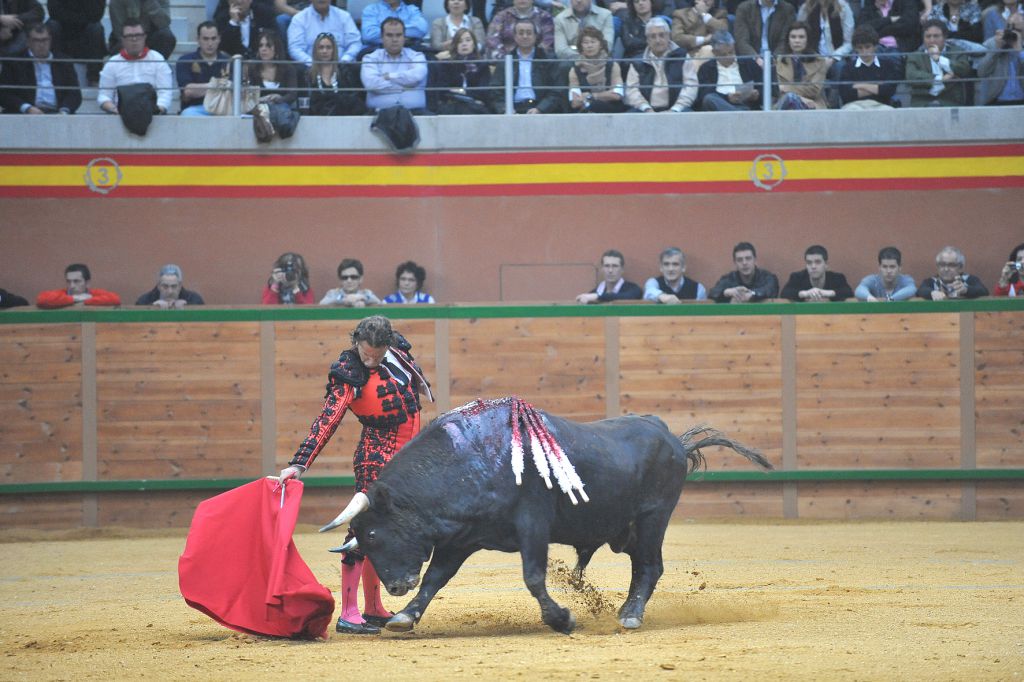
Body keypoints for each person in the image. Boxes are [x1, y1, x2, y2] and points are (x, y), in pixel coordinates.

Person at [278, 315, 433, 635]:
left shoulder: (398, 352)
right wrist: (299, 463)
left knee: (383, 532)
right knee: (361, 532)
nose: (371, 360)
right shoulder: (349, 372)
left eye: (376, 355)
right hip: (376, 457)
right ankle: (349, 612)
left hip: (406, 460)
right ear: (356, 343)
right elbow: (328, 419)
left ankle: (373, 607)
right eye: (366, 354)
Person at [0, 21, 82, 114]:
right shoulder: (14, 62)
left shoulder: (63, 62)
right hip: (25, 114)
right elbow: (4, 94)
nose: (41, 45)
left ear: (50, 40)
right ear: (28, 42)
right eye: (36, 40)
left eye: (45, 40)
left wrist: (64, 110)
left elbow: (74, 94)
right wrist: (27, 108)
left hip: (58, 113)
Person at [97, 19, 174, 115]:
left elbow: (165, 92)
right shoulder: (112, 63)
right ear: (122, 39)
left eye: (138, 35)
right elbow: (104, 96)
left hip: (153, 115)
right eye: (129, 36)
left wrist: (156, 110)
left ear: (145, 37)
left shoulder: (157, 59)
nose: (134, 39)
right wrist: (115, 110)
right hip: (119, 115)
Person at [490, 18, 563, 113]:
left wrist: (540, 109)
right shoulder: (506, 61)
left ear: (535, 36)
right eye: (521, 33)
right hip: (512, 110)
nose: (525, 36)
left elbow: (556, 90)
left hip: (539, 108)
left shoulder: (548, 60)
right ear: (515, 37)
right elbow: (495, 91)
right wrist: (505, 109)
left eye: (529, 33)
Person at [624, 17, 693, 112]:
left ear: (669, 36)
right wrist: (646, 108)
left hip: (677, 109)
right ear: (647, 40)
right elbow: (631, 90)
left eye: (661, 35)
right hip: (646, 110)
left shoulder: (682, 57)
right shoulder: (637, 62)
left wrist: (675, 109)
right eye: (653, 36)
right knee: (628, 118)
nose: (658, 40)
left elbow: (691, 87)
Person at [360, 17, 429, 113]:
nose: (394, 39)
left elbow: (417, 76)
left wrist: (389, 76)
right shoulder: (370, 58)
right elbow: (372, 84)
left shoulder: (417, 56)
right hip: (378, 114)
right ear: (382, 37)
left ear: (404, 37)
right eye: (389, 35)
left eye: (398, 35)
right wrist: (406, 86)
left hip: (416, 113)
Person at [905, 19, 970, 106]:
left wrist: (939, 59)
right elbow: (911, 76)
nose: (932, 40)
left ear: (945, 37)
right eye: (928, 36)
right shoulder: (914, 56)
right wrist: (940, 79)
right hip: (922, 101)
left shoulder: (957, 52)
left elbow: (964, 69)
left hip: (950, 100)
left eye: (936, 36)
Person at [695, 30, 762, 111]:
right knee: (709, 98)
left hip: (746, 105)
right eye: (724, 54)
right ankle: (738, 116)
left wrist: (757, 95)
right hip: (719, 108)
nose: (729, 57)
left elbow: (764, 88)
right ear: (714, 53)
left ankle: (737, 115)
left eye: (731, 52)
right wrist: (727, 98)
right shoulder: (706, 69)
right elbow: (702, 95)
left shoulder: (749, 64)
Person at [176, 21, 231, 116]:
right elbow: (188, 91)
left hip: (223, 108)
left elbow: (232, 90)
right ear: (198, 39)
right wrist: (217, 85)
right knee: (188, 114)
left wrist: (200, 89)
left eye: (213, 39)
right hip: (195, 109)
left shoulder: (229, 62)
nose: (210, 43)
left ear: (219, 39)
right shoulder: (185, 60)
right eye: (205, 39)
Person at [434, 27, 494, 113]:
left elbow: (483, 92)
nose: (464, 44)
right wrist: (467, 94)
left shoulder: (482, 65)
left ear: (474, 44)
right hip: (452, 105)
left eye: (468, 40)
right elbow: (442, 91)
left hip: (475, 106)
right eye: (460, 41)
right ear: (455, 46)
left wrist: (460, 91)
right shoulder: (446, 65)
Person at [45, 0, 106, 84]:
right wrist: (79, 19)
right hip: (63, 29)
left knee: (96, 29)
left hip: (84, 31)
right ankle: (54, 74)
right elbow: (53, 11)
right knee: (52, 26)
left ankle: (94, 78)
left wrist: (74, 19)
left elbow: (97, 14)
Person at [838, 24, 898, 109]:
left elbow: (889, 90)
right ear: (855, 49)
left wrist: (858, 85)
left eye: (867, 47)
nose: (864, 51)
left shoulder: (887, 65)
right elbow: (846, 94)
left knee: (888, 110)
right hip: (854, 105)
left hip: (880, 105)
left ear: (875, 47)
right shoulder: (847, 68)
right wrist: (877, 87)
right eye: (860, 48)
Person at [774, 20, 831, 109]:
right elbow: (777, 90)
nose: (797, 41)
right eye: (793, 37)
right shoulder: (779, 61)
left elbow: (814, 90)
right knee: (790, 98)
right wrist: (800, 98)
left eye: (801, 37)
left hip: (812, 103)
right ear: (788, 40)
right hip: (784, 104)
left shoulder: (819, 61)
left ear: (807, 40)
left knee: (792, 98)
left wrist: (786, 88)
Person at [567, 25, 625, 111]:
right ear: (581, 46)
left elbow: (617, 95)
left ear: (600, 45)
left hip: (612, 109)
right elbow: (575, 102)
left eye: (593, 42)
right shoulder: (575, 69)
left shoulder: (612, 65)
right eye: (585, 43)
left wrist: (591, 96)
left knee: (596, 105)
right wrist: (605, 95)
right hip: (585, 112)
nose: (589, 46)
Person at [306, 31, 365, 115]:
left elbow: (354, 99)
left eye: (328, 47)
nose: (324, 51)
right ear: (315, 51)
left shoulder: (345, 71)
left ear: (334, 50)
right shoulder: (308, 74)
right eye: (321, 47)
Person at [287, 0, 360, 66]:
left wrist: (344, 60)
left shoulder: (344, 16)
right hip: (309, 69)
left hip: (342, 66)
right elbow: (295, 48)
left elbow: (355, 43)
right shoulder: (299, 19)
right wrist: (312, 64)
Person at [976, 13, 1024, 105]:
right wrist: (996, 49)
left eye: (1018, 30)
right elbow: (981, 72)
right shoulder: (993, 42)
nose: (1013, 33)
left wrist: (1020, 51)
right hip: (997, 100)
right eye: (1010, 29)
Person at [708, 241, 779, 303]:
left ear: (755, 260)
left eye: (748, 258)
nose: (744, 263)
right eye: (739, 260)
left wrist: (752, 294)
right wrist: (727, 292)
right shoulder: (729, 278)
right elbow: (712, 293)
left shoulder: (767, 277)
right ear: (735, 263)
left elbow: (771, 289)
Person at [780, 244, 853, 302]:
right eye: (809, 263)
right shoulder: (797, 277)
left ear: (826, 264)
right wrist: (805, 293)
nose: (813, 266)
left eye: (818, 262)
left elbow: (848, 292)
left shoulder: (837, 278)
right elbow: (785, 293)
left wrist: (826, 293)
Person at [485, 0, 555, 59]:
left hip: (537, 61)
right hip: (506, 61)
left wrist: (534, 57)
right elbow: (493, 41)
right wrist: (507, 59)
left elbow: (548, 41)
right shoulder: (501, 16)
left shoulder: (544, 16)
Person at [108, 0, 177, 59]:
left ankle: (151, 70)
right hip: (126, 38)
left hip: (151, 38)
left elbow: (164, 22)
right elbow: (119, 31)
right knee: (121, 45)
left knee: (166, 37)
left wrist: (149, 2)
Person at [733, 0, 796, 64]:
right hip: (750, 59)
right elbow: (741, 40)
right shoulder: (744, 8)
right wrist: (756, 58)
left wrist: (774, 59)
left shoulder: (788, 9)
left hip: (777, 60)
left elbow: (785, 39)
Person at [248, 28, 299, 107]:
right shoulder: (253, 68)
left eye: (268, 45)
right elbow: (249, 96)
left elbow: (292, 95)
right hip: (260, 112)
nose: (263, 49)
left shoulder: (288, 68)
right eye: (261, 45)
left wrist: (279, 99)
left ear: (276, 49)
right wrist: (262, 99)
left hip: (283, 111)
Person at [915, 246, 989, 300]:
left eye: (951, 265)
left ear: (960, 267)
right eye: (942, 264)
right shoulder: (931, 281)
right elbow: (920, 291)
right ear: (937, 266)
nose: (946, 269)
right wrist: (932, 293)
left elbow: (984, 291)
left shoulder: (969, 279)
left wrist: (966, 290)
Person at [36, 263, 121, 308]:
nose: (72, 285)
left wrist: (87, 300)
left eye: (76, 281)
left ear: (87, 283)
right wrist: (75, 298)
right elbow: (42, 299)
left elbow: (115, 299)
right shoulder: (63, 293)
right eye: (68, 281)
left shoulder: (93, 293)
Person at [855, 0, 922, 55]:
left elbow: (909, 25)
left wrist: (880, 32)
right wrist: (889, 20)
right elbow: (861, 28)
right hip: (875, 47)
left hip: (897, 48)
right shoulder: (869, 8)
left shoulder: (904, 3)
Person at [576, 249, 643, 303]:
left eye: (615, 266)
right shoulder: (594, 293)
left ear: (622, 269)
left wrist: (598, 297)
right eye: (607, 266)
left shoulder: (633, 289)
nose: (610, 270)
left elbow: (628, 297)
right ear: (602, 269)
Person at [643, 247, 707, 302]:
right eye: (666, 264)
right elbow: (649, 292)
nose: (670, 269)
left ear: (683, 267)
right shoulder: (653, 282)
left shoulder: (698, 288)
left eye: (675, 264)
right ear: (661, 268)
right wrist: (661, 296)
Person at [360, 0, 429, 48]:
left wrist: (386, 34)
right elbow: (368, 35)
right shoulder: (371, 9)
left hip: (409, 48)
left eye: (399, 35)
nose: (394, 39)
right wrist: (404, 36)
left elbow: (421, 30)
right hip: (377, 49)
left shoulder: (412, 10)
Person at [135, 264, 206, 308]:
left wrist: (187, 307)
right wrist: (153, 308)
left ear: (180, 286)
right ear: (158, 286)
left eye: (174, 286)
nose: (170, 291)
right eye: (165, 286)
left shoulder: (194, 299)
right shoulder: (144, 301)